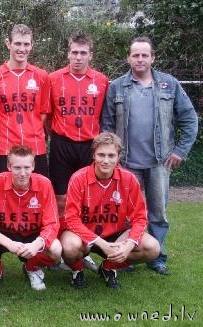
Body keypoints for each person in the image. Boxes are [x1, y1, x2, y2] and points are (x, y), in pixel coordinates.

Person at [101, 36, 198, 275]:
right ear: (129, 58)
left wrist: (180, 151)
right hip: (125, 164)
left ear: (152, 58)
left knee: (158, 213)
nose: (140, 59)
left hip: (159, 162)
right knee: (124, 214)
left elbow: (190, 119)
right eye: (136, 55)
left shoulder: (170, 84)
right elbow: (107, 124)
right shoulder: (117, 87)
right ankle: (128, 256)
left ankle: (157, 257)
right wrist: (112, 157)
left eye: (145, 55)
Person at [60, 132, 160, 289]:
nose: (106, 160)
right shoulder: (78, 178)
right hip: (84, 235)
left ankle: (108, 267)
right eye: (101, 155)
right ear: (93, 154)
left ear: (118, 156)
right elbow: (71, 218)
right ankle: (77, 271)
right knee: (69, 247)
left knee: (152, 248)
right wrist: (99, 242)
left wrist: (128, 245)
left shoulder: (129, 179)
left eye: (111, 155)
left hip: (116, 235)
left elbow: (140, 217)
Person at [0, 145, 60, 293]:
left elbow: (52, 224)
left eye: (27, 167)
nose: (22, 173)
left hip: (32, 236)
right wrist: (9, 243)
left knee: (56, 249)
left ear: (33, 166)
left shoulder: (44, 183)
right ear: (9, 166)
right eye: (17, 168)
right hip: (2, 235)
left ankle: (32, 268)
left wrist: (36, 244)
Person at [48, 31, 109, 217]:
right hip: (62, 144)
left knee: (90, 196)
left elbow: (105, 115)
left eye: (83, 53)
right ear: (68, 53)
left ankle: (84, 240)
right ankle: (62, 241)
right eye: (74, 52)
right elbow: (47, 115)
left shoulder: (102, 81)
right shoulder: (53, 79)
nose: (78, 57)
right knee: (61, 198)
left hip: (90, 146)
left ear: (90, 55)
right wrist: (57, 136)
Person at [0, 24, 50, 178]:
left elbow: (43, 113)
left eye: (26, 44)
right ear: (8, 43)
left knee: (37, 196)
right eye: (18, 43)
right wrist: (6, 131)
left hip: (34, 146)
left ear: (32, 45)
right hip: (3, 147)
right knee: (1, 196)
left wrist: (29, 129)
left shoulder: (42, 76)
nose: (22, 48)